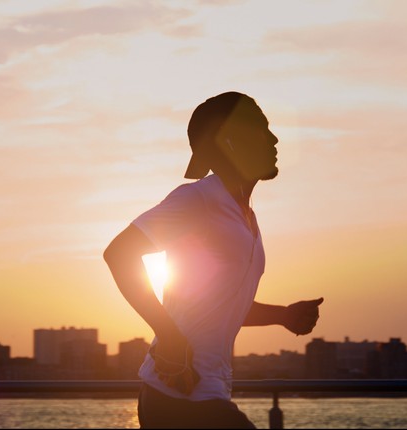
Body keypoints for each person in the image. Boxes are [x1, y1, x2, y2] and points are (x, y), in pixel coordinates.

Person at [103, 91, 324, 429]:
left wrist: (283, 315)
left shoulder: (245, 217)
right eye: (262, 130)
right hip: (177, 393)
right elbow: (119, 254)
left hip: (205, 393)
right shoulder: (199, 199)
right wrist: (169, 335)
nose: (275, 139)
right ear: (232, 141)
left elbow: (219, 305)